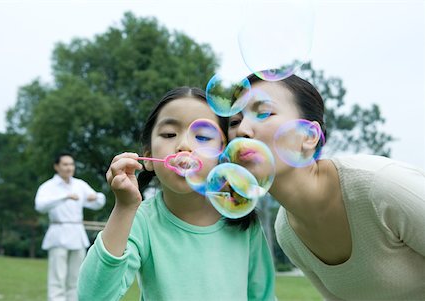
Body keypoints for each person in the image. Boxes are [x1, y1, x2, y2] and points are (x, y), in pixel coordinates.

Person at [228, 73, 425, 300]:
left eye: (263, 113)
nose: (242, 130)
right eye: (234, 122)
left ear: (309, 136)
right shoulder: (287, 231)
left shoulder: (381, 186)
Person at [77, 87, 276, 301]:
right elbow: (92, 296)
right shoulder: (141, 221)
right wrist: (124, 207)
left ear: (224, 153)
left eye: (202, 136)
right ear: (149, 155)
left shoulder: (244, 223)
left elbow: (262, 297)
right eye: (169, 134)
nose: (184, 145)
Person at [35, 152, 106, 301]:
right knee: (57, 277)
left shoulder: (79, 184)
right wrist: (64, 196)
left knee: (77, 277)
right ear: (57, 166)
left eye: (71, 164)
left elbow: (99, 202)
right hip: (58, 234)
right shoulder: (48, 186)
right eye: (65, 164)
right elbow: (40, 206)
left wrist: (97, 197)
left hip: (77, 234)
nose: (69, 168)